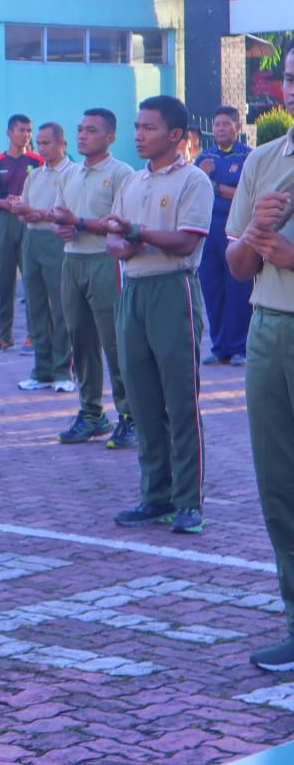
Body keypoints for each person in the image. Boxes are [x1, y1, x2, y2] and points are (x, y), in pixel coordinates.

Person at [105, 95, 212, 535]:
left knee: (180, 401)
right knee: (143, 401)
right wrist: (129, 241)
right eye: (137, 126)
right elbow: (114, 239)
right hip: (133, 291)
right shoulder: (132, 182)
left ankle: (188, 502)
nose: (139, 135)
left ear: (176, 135)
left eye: (149, 128)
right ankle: (156, 495)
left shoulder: (193, 181)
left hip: (173, 290)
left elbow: (185, 242)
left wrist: (137, 235)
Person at [225, 41, 294, 671]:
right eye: (290, 79)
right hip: (270, 328)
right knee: (279, 482)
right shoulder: (265, 161)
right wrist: (254, 231)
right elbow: (238, 265)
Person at [47, 109, 137, 447]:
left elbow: (122, 224)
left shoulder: (121, 174)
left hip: (105, 262)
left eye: (92, 130)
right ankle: (91, 413)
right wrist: (61, 227)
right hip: (72, 262)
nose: (83, 136)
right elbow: (59, 216)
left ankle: (130, 414)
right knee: (80, 340)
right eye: (80, 129)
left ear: (110, 137)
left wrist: (80, 223)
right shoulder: (69, 173)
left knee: (115, 342)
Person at [10, 123, 74, 393]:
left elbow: (69, 213)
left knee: (60, 307)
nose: (41, 148)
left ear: (62, 144)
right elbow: (26, 211)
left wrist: (37, 213)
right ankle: (42, 370)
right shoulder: (34, 175)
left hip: (55, 240)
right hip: (32, 239)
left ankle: (63, 370)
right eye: (39, 144)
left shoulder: (73, 173)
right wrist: (20, 210)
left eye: (47, 143)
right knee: (35, 306)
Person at [196, 106, 253, 365]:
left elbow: (248, 195)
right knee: (212, 288)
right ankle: (220, 347)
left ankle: (241, 346)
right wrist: (203, 176)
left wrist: (216, 187)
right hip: (209, 231)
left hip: (236, 230)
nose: (220, 129)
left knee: (238, 288)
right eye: (216, 124)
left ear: (237, 127)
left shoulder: (248, 157)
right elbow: (193, 190)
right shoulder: (205, 158)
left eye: (225, 124)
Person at [0, 115, 42, 351]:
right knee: (4, 280)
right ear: (9, 133)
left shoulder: (38, 162)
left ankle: (34, 335)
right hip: (5, 222)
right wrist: (6, 202)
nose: (26, 135)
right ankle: (4, 336)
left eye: (29, 130)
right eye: (21, 130)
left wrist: (26, 204)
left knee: (32, 280)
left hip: (30, 220)